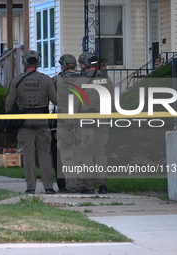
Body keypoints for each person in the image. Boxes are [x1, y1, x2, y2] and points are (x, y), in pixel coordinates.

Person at [5, 50, 57, 194]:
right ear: (38, 62)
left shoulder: (17, 80)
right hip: (42, 120)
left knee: (28, 155)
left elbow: (9, 103)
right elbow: (56, 100)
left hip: (24, 120)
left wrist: (10, 120)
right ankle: (48, 187)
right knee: (45, 154)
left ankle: (30, 187)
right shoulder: (46, 80)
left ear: (25, 63)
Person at [77, 52, 114, 194]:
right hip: (103, 118)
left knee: (86, 152)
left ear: (84, 64)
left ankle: (89, 185)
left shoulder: (81, 80)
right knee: (101, 152)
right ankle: (103, 185)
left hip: (86, 120)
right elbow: (111, 98)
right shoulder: (106, 78)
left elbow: (74, 103)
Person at [52, 54, 82, 193]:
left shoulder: (56, 80)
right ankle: (85, 185)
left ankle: (71, 185)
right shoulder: (84, 80)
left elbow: (50, 99)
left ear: (63, 66)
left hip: (63, 121)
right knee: (83, 154)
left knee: (66, 155)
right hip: (82, 121)